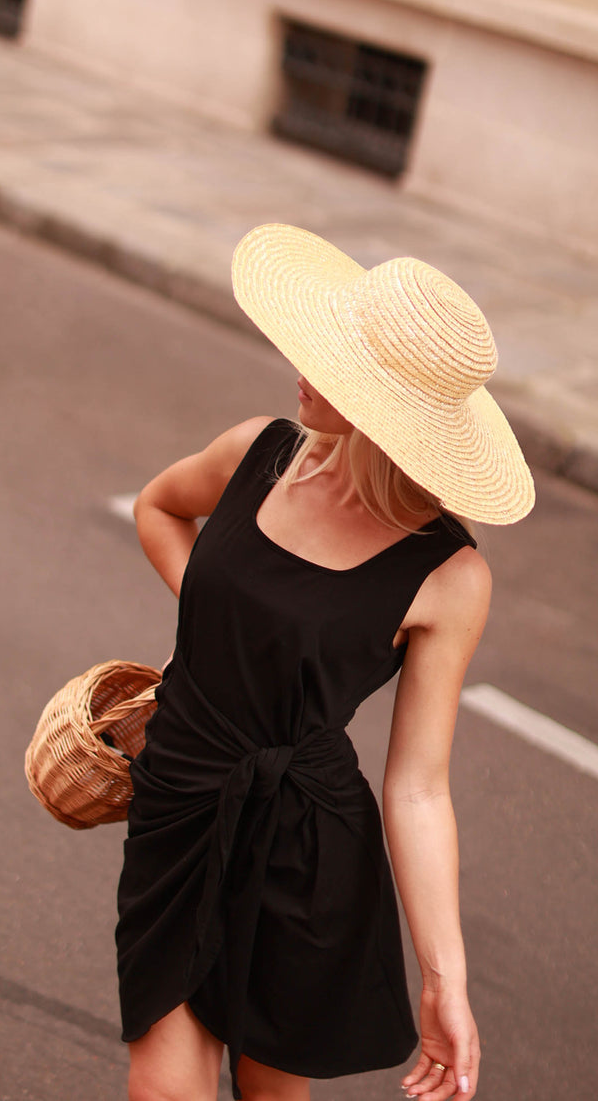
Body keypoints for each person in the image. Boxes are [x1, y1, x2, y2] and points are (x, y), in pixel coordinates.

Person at [115, 225, 534, 1101]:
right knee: (162, 1087)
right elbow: (159, 507)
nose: (302, 363)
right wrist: (221, 632)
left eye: (337, 364)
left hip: (308, 855)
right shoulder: (253, 455)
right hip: (183, 801)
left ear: (393, 414)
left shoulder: (449, 578)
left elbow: (419, 787)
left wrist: (445, 978)